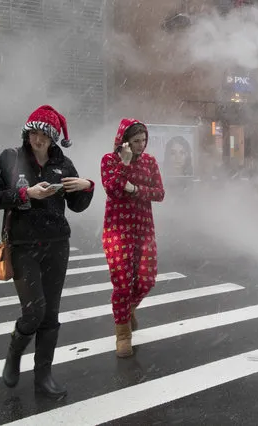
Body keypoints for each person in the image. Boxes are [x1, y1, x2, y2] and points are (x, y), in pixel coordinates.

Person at [0, 105, 94, 399]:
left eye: (44, 134)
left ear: (54, 138)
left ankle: (43, 376)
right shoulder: (10, 158)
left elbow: (77, 206)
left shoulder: (63, 164)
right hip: (23, 247)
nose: (38, 139)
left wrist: (86, 187)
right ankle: (15, 351)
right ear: (27, 132)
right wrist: (24, 194)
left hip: (57, 246)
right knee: (34, 310)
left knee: (51, 314)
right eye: (33, 133)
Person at [100, 118, 165, 357]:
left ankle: (127, 312)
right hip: (118, 230)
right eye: (136, 141)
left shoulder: (150, 162)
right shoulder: (109, 160)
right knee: (123, 284)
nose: (141, 145)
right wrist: (125, 164)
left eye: (144, 140)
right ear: (124, 142)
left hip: (144, 227)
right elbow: (113, 189)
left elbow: (160, 193)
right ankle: (123, 334)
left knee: (147, 279)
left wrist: (136, 190)